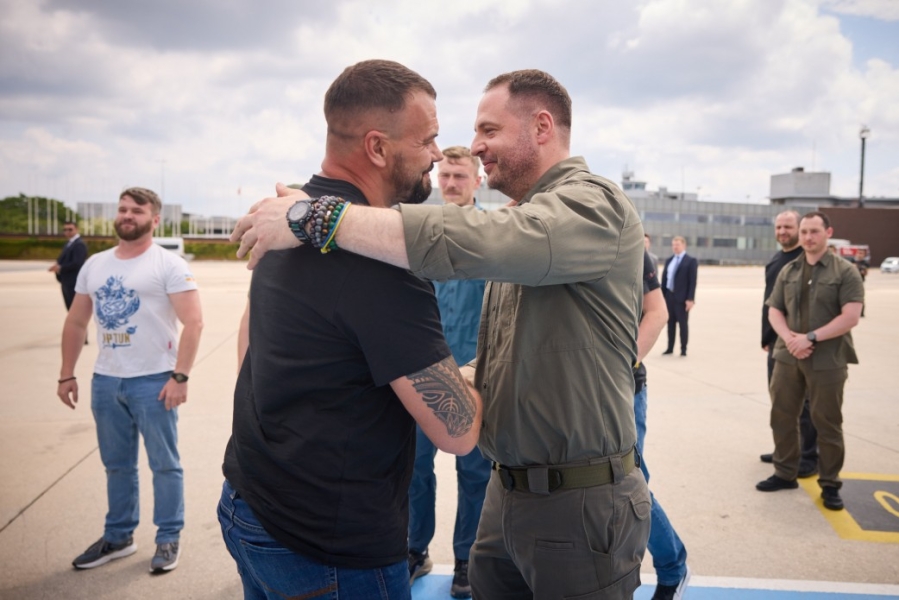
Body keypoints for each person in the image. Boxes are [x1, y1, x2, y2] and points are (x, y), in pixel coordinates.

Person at [232, 68, 650, 600]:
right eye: (437, 139)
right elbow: (500, 362)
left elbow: (480, 237)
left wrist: (318, 217)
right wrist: (439, 379)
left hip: (578, 499)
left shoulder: (593, 206)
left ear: (542, 127)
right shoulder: (523, 222)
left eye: (489, 130)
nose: (471, 147)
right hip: (508, 490)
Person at [219, 60, 483, 600]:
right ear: (378, 148)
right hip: (329, 548)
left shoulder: (285, 217)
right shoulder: (382, 266)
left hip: (251, 501)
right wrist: (484, 369)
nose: (437, 155)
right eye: (427, 140)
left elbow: (249, 344)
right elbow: (456, 431)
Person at [57, 187, 203, 573]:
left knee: (164, 464)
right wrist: (66, 373)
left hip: (154, 380)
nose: (127, 215)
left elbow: (194, 322)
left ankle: (168, 536)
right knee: (117, 465)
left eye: (136, 210)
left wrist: (180, 376)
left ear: (154, 219)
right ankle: (119, 536)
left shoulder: (168, 264)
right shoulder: (95, 265)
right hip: (106, 381)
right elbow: (76, 321)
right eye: (122, 209)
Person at [407, 146, 491, 599]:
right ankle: (414, 549)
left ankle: (467, 559)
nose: (452, 183)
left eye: (460, 175)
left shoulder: (494, 237)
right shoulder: (422, 235)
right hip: (423, 377)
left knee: (475, 476)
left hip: (475, 379)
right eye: (445, 176)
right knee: (414, 470)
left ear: (477, 181)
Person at [757, 211, 864, 512]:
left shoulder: (846, 271)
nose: (807, 237)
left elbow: (851, 316)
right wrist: (790, 339)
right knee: (782, 415)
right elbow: (774, 310)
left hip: (828, 359)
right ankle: (784, 473)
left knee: (827, 422)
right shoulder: (788, 270)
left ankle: (829, 484)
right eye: (804, 232)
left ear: (828, 232)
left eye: (814, 231)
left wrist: (811, 338)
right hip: (787, 356)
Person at [633, 250, 690, 600]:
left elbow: (657, 312)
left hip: (620, 388)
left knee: (631, 484)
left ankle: (672, 567)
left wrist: (620, 367)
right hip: (563, 393)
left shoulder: (626, 244)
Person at [759, 211, 818, 478]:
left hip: (800, 343)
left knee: (804, 405)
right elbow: (770, 302)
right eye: (779, 227)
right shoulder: (776, 260)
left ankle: (808, 455)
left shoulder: (805, 259)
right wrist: (766, 337)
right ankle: (786, 451)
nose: (783, 231)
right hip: (776, 342)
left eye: (788, 227)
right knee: (781, 402)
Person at [661, 236, 698, 357]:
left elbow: (692, 282)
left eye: (677, 245)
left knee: (683, 325)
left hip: (682, 299)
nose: (675, 247)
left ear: (684, 245)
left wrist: (690, 299)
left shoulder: (690, 261)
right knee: (670, 324)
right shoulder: (669, 260)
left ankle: (683, 349)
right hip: (669, 297)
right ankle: (670, 348)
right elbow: (664, 280)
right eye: (673, 245)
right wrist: (662, 297)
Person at [49, 220, 88, 310]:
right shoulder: (69, 243)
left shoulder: (79, 244)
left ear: (77, 229)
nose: (67, 232)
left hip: (73, 282)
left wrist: (60, 268)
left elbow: (77, 263)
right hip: (66, 281)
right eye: (65, 230)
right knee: (70, 308)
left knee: (74, 309)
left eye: (70, 229)